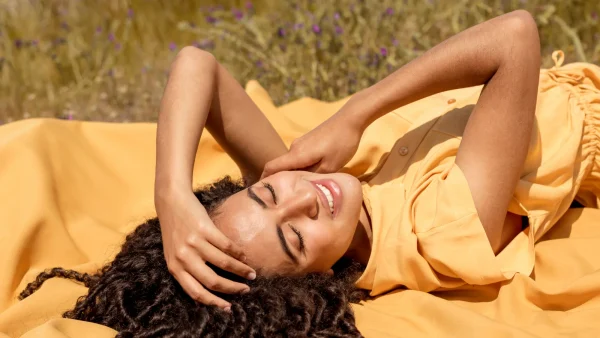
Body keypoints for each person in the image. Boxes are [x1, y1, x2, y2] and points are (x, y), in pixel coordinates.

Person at [19, 9, 600, 336]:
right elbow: (515, 35)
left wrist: (173, 194)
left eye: (267, 190)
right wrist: (356, 112)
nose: (302, 199)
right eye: (295, 237)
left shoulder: (308, 191)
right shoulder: (438, 231)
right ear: (308, 283)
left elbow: (198, 65)